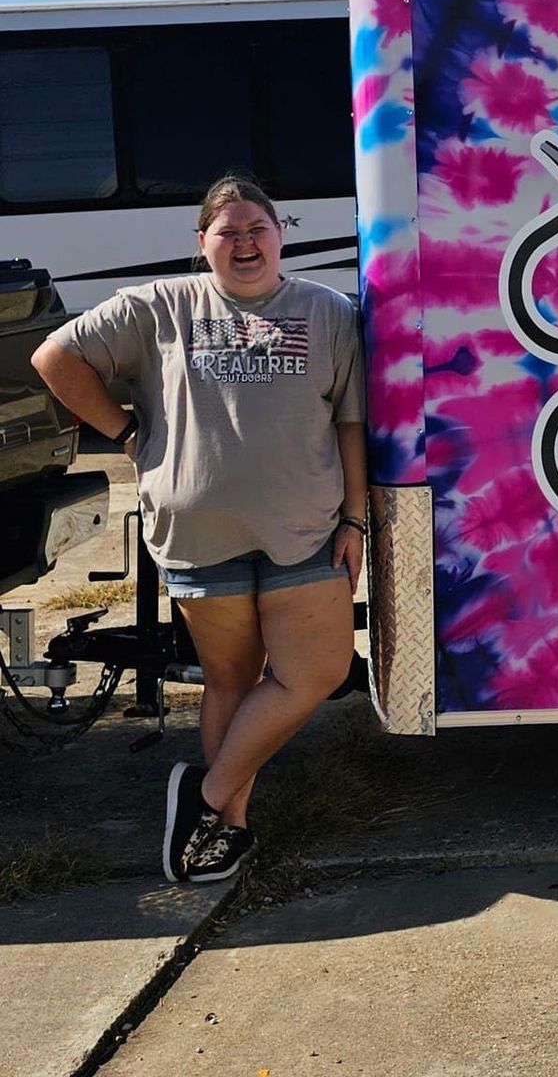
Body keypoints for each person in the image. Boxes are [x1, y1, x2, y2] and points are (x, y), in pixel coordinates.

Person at [33, 175, 366, 881]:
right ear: (202, 243)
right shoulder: (159, 305)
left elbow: (350, 424)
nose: (245, 243)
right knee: (230, 682)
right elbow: (55, 359)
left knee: (318, 672)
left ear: (281, 234)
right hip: (197, 530)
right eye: (229, 232)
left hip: (304, 526)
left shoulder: (329, 311)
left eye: (257, 229)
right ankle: (223, 832)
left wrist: (356, 518)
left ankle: (206, 799)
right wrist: (125, 431)